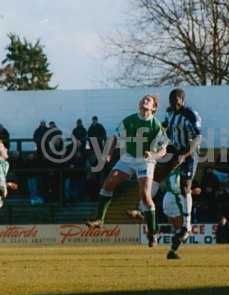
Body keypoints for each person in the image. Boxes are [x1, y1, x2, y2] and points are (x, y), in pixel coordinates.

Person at [86, 95, 168, 247]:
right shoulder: (128, 120)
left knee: (145, 196)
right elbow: (114, 138)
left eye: (148, 100)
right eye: (143, 99)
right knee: (109, 183)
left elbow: (163, 150)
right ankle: (99, 220)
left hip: (145, 161)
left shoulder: (156, 126)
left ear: (154, 108)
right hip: (128, 157)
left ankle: (152, 233)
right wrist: (109, 153)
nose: (144, 101)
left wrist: (153, 155)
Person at [128, 89, 202, 240]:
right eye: (170, 101)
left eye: (175, 101)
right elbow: (164, 128)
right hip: (174, 149)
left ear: (181, 99)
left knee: (185, 187)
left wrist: (185, 154)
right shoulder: (170, 112)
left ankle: (186, 226)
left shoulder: (191, 114)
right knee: (157, 177)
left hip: (190, 152)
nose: (172, 104)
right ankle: (141, 209)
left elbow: (198, 138)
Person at [162, 167, 201, 259]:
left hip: (167, 198)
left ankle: (172, 251)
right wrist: (192, 191)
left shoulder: (171, 169)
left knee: (180, 231)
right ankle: (171, 251)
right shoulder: (185, 173)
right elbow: (186, 191)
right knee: (185, 231)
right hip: (176, 199)